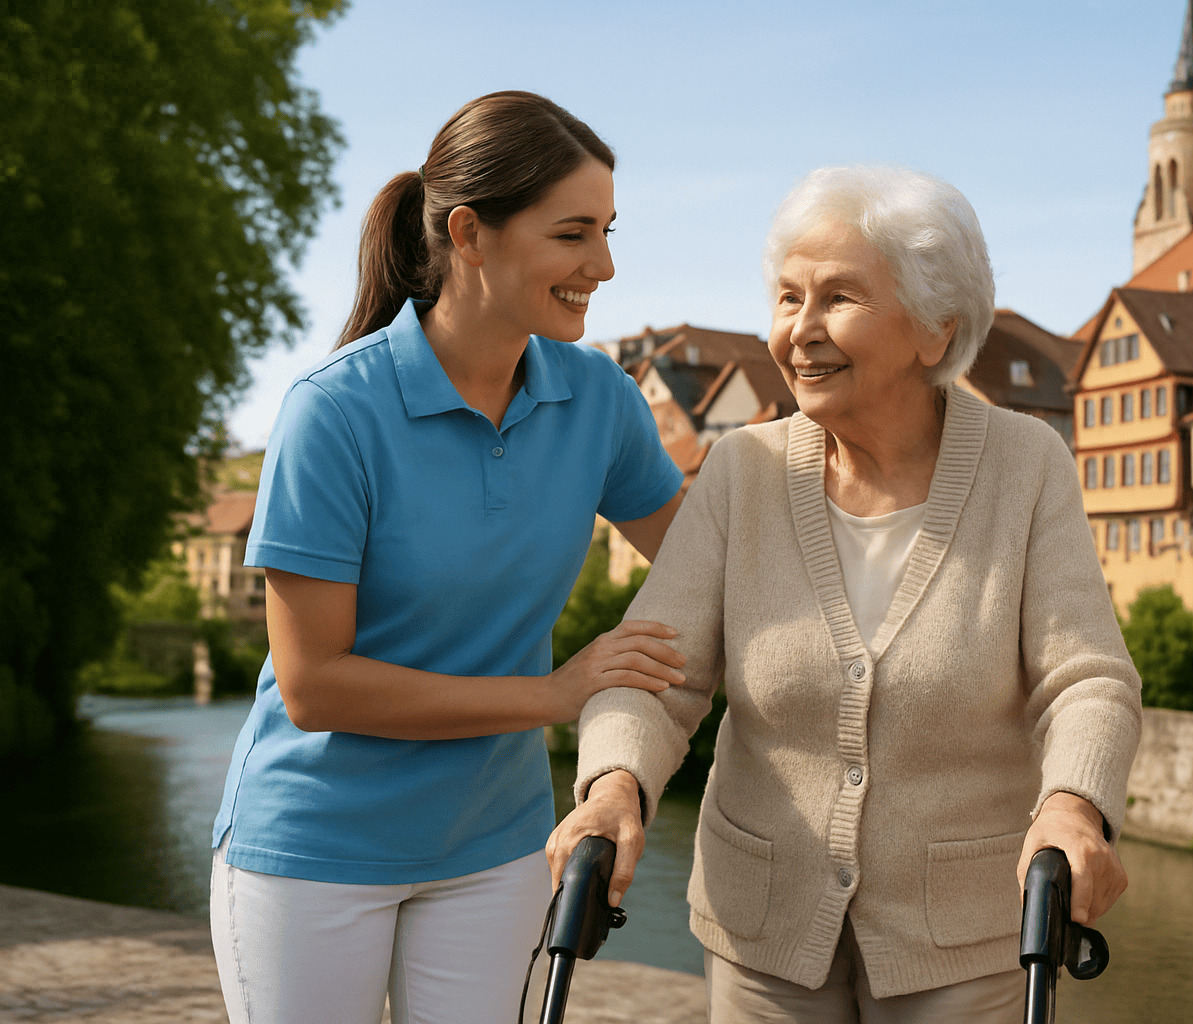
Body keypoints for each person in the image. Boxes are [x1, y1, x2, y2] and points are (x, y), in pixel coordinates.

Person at [549, 165, 1142, 1022]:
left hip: (965, 937)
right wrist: (613, 786)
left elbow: (1086, 678)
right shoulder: (740, 473)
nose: (800, 330)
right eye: (789, 298)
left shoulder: (1027, 464)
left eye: (838, 298)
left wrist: (1072, 806)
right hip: (764, 931)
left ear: (936, 329)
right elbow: (656, 674)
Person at [208, 91, 688, 1024]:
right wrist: (556, 693)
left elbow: (706, 566)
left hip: (495, 848)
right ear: (470, 234)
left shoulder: (599, 399)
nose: (604, 265)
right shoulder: (334, 413)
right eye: (573, 234)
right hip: (314, 851)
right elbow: (316, 686)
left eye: (608, 231)